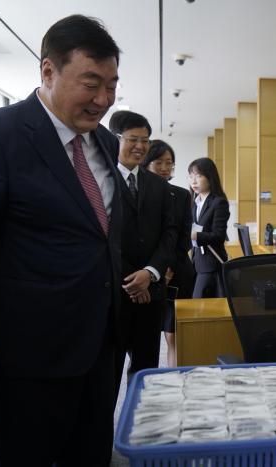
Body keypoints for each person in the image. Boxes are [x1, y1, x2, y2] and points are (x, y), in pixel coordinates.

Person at [0, 15, 123, 466]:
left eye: (112, 86)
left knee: (92, 454)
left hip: (100, 341)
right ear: (49, 71)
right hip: (27, 351)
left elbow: (99, 235)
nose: (103, 99)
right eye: (91, 84)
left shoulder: (105, 143)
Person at [108, 112, 176, 392]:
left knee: (147, 371)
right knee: (107, 372)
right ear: (115, 139)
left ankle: (142, 419)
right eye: (133, 139)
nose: (140, 146)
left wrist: (149, 273)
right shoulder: (101, 180)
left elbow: (170, 234)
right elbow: (101, 237)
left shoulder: (158, 185)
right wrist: (132, 281)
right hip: (113, 294)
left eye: (145, 140)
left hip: (152, 294)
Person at [141, 139, 195, 367]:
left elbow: (183, 238)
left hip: (177, 272)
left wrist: (168, 268)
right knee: (144, 336)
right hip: (144, 274)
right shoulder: (137, 193)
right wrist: (155, 269)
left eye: (169, 163)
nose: (164, 168)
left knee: (173, 334)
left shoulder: (181, 195)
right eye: (159, 162)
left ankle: (175, 374)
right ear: (146, 163)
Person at [188, 157, 229, 298]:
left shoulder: (219, 203)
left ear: (210, 177)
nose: (193, 181)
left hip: (211, 263)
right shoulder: (195, 202)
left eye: (198, 176)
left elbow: (219, 235)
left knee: (199, 303)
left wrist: (195, 235)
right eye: (191, 176)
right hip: (197, 261)